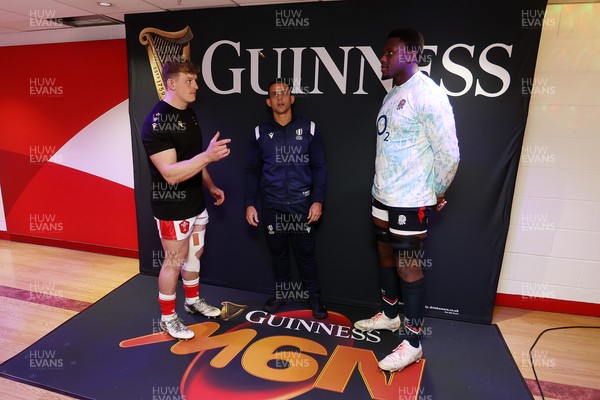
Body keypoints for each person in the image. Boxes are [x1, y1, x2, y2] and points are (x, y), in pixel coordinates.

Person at [354, 28, 460, 372]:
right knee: (384, 252)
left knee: (407, 265)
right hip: (381, 195)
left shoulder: (428, 94)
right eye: (382, 53)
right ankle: (389, 315)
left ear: (411, 54)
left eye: (389, 53)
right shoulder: (393, 93)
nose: (382, 59)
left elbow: (450, 153)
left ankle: (412, 341)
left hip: (410, 198)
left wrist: (437, 191)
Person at [141, 60, 231, 340]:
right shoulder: (156, 122)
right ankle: (168, 318)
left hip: (196, 203)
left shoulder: (188, 115)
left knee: (195, 255)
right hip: (173, 206)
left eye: (195, 80)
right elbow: (170, 174)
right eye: (189, 81)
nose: (196, 86)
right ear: (172, 84)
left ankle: (193, 301)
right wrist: (207, 156)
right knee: (174, 261)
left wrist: (211, 185)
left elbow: (193, 160)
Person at [244, 79, 328, 319]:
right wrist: (250, 202)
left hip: (302, 205)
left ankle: (315, 297)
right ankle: (282, 294)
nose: (279, 98)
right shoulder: (260, 133)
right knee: (278, 253)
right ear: (268, 102)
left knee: (306, 254)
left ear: (292, 98)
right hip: (272, 205)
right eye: (274, 94)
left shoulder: (309, 129)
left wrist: (318, 199)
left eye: (284, 93)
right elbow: (251, 170)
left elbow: (319, 167)